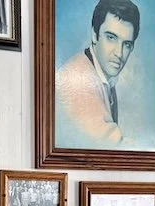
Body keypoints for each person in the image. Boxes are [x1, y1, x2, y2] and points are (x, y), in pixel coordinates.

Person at [56, 0, 140, 148]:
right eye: (111, 38)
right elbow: (113, 148)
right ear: (94, 35)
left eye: (126, 44)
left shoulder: (100, 74)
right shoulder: (78, 81)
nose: (119, 53)